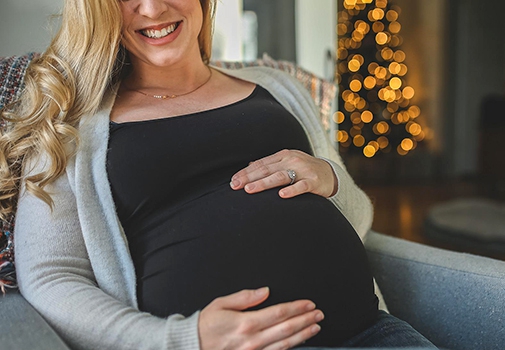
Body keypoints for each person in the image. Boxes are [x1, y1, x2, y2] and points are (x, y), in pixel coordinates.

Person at [0, 0, 438, 349]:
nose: (152, 9)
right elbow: (52, 276)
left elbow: (358, 218)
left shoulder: (279, 86)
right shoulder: (67, 121)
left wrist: (330, 178)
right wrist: (180, 341)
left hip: (372, 332)